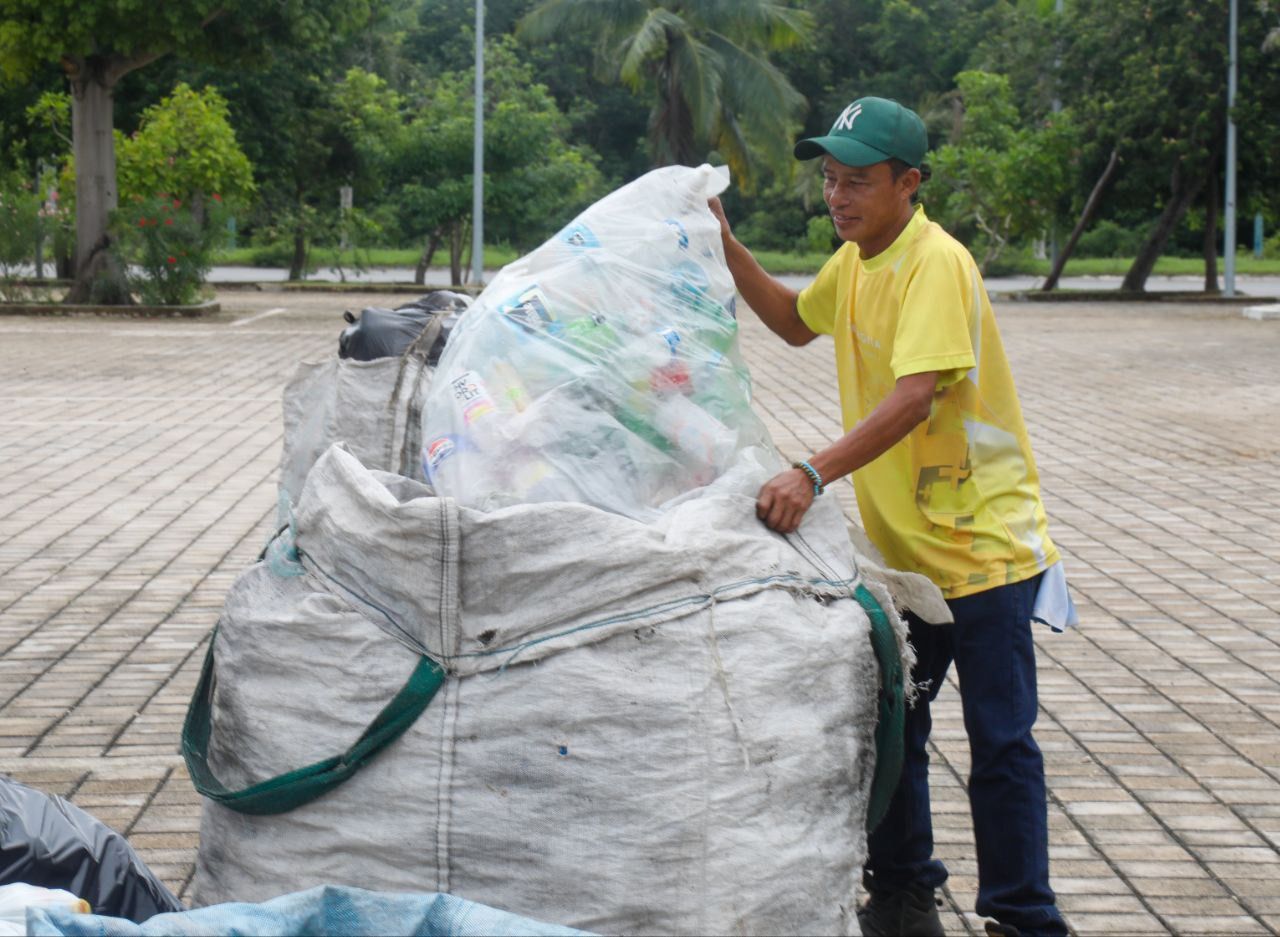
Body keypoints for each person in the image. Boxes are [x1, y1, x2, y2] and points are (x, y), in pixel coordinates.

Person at [709, 96, 1075, 937]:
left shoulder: (933, 263)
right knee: (893, 729)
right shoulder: (856, 260)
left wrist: (811, 472)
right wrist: (725, 245)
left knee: (1000, 741)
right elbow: (792, 323)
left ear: (909, 183)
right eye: (831, 179)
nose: (838, 197)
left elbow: (915, 398)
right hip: (907, 557)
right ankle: (906, 895)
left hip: (982, 550)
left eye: (859, 182)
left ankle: (1026, 917)